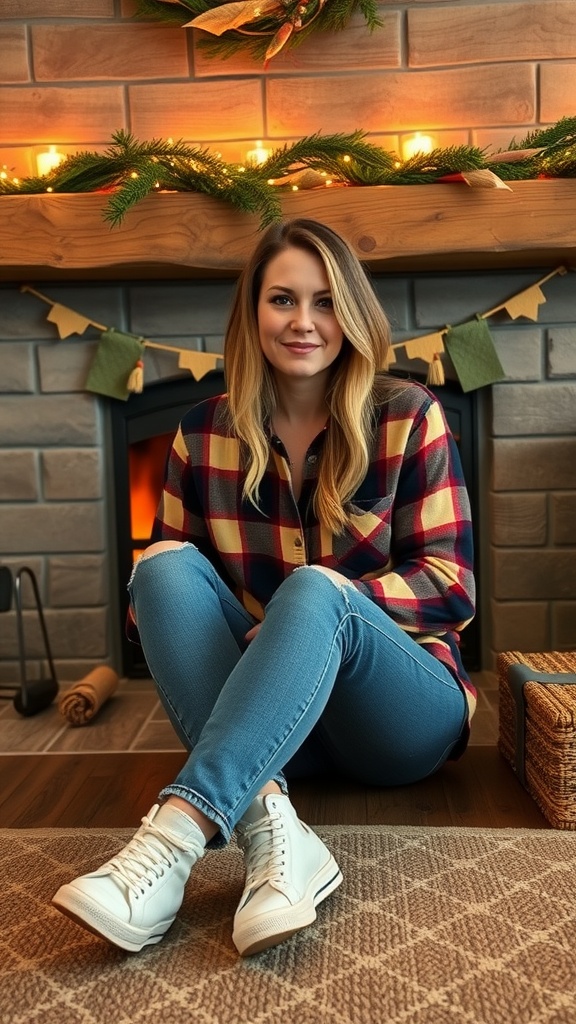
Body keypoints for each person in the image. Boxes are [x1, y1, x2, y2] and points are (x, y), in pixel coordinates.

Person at [52, 218, 476, 958]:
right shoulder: (202, 430)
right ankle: (274, 823)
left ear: (351, 312)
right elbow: (160, 606)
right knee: (158, 567)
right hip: (279, 733)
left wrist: (310, 611)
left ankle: (177, 836)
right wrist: (275, 646)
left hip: (401, 718)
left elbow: (451, 586)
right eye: (283, 299)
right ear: (253, 312)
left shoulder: (409, 415)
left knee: (315, 589)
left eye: (324, 301)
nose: (304, 322)